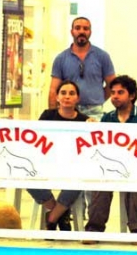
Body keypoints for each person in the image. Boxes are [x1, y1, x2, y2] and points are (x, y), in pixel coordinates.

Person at [83, 75, 137, 244]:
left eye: (120, 92)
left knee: (135, 184)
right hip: (112, 166)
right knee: (100, 184)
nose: (115, 96)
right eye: (113, 92)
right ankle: (94, 230)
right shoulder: (107, 118)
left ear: (131, 96)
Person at [27, 81, 93, 230]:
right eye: (63, 93)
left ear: (78, 98)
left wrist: (94, 128)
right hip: (46, 164)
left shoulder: (85, 120)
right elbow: (36, 141)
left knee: (78, 181)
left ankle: (51, 218)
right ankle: (60, 213)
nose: (67, 97)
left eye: (71, 93)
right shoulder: (47, 115)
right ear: (57, 97)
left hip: (73, 167)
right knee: (26, 178)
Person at [49, 16, 116, 119]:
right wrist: (53, 115)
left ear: (90, 32)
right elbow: (53, 90)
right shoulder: (61, 58)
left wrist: (99, 98)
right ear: (72, 32)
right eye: (77, 28)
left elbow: (112, 85)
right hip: (68, 110)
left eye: (86, 28)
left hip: (95, 112)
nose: (82, 31)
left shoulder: (102, 56)